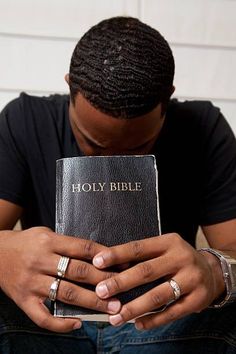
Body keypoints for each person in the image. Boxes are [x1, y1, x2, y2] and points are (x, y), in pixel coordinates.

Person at [0, 16, 236, 354]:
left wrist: (215, 270)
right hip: (48, 324)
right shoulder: (24, 120)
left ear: (166, 100)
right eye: (93, 143)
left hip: (162, 325)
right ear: (70, 88)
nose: (110, 161)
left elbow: (233, 252)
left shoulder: (205, 128)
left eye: (138, 148)